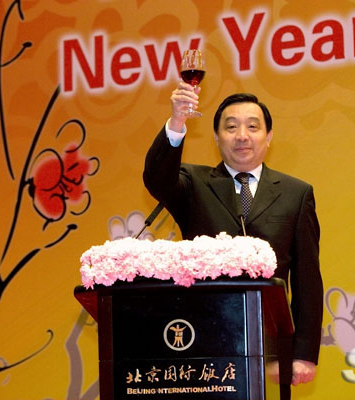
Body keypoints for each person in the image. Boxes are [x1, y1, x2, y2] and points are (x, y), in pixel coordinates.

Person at [143, 81, 323, 385]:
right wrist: (177, 121)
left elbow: (307, 281)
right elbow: (157, 179)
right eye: (230, 127)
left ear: (269, 136)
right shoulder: (193, 183)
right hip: (201, 340)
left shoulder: (296, 193)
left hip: (269, 345)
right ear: (216, 137)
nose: (242, 136)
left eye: (253, 126)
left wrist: (303, 353)